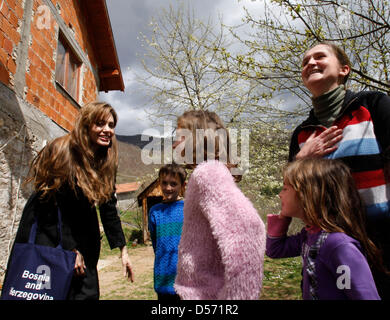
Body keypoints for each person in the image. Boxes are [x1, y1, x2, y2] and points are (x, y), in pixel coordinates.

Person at [289, 41, 390, 299]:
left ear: (344, 69)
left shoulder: (374, 106)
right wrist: (301, 160)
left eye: (319, 56)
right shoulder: (301, 134)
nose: (310, 63)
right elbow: (293, 197)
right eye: (305, 61)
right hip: (326, 250)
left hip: (382, 245)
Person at [11, 101, 134, 300]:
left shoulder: (105, 159)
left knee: (86, 292)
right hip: (50, 233)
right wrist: (69, 249)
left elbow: (108, 206)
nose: (107, 130)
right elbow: (49, 204)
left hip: (83, 236)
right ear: (86, 125)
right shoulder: (63, 151)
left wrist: (123, 250)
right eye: (100, 124)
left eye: (111, 125)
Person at [173, 110, 266, 300]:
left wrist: (238, 297)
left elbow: (248, 230)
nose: (174, 143)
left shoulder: (208, 174)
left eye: (179, 137)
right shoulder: (209, 172)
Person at [267, 158, 382, 300]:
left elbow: (365, 296)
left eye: (285, 188)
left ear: (308, 194)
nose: (280, 194)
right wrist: (283, 217)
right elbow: (276, 250)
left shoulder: (339, 246)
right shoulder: (310, 235)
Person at [148, 163, 186, 302]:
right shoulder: (155, 211)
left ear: (183, 185)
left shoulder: (188, 209)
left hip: (186, 279)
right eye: (164, 183)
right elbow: (156, 244)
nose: (168, 188)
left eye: (173, 184)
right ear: (159, 183)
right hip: (163, 277)